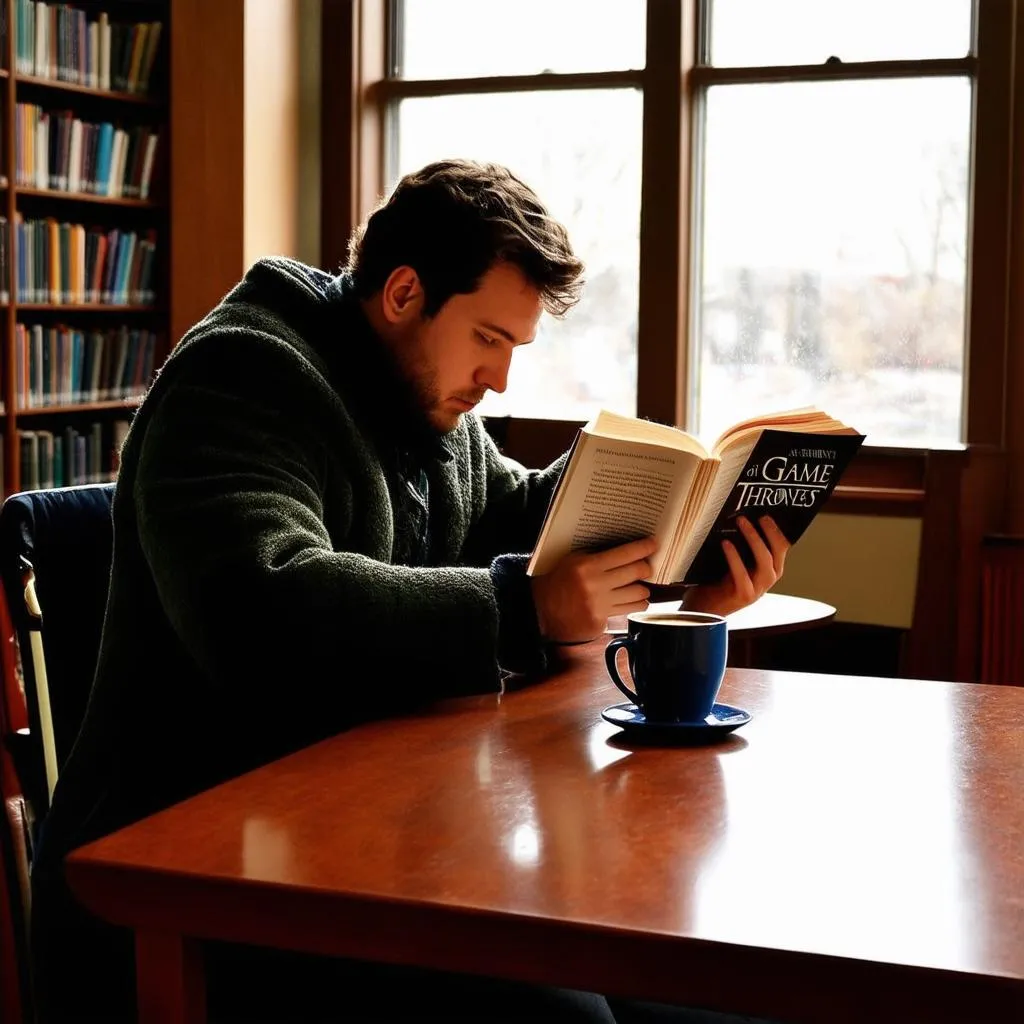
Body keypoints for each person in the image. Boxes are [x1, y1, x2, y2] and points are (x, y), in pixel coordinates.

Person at [30, 159, 789, 1023]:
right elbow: (262, 611)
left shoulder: (421, 400)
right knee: (566, 1014)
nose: (499, 379)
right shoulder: (242, 377)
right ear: (402, 293)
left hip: (362, 837)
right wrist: (525, 609)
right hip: (187, 878)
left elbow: (512, 514)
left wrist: (685, 554)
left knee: (708, 992)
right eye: (488, 339)